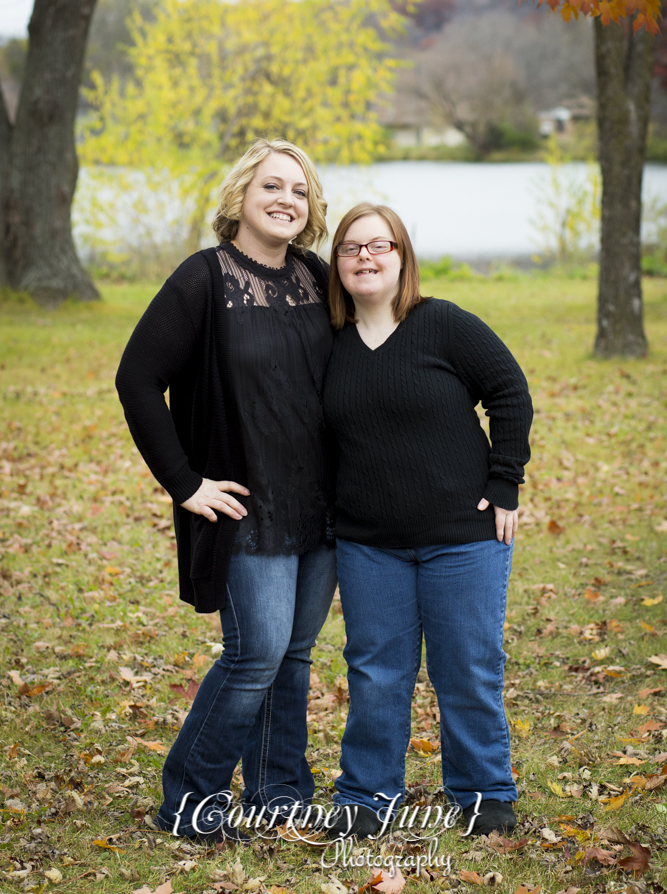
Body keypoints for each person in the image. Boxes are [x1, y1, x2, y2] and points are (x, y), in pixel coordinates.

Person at [115, 139, 338, 842]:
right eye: (272, 186)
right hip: (247, 505)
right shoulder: (202, 278)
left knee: (295, 655)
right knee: (255, 653)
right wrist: (184, 483)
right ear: (240, 194)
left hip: (322, 506)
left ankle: (278, 793)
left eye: (299, 191)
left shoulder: (315, 276)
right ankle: (190, 799)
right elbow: (137, 379)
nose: (286, 200)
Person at [322, 203, 532, 838]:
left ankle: (483, 792)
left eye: (379, 246)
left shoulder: (440, 324)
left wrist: (505, 481)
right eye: (352, 248)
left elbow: (510, 392)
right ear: (337, 265)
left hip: (462, 540)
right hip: (368, 544)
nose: (365, 257)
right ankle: (366, 798)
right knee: (375, 672)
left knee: (466, 667)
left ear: (401, 256)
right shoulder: (327, 344)